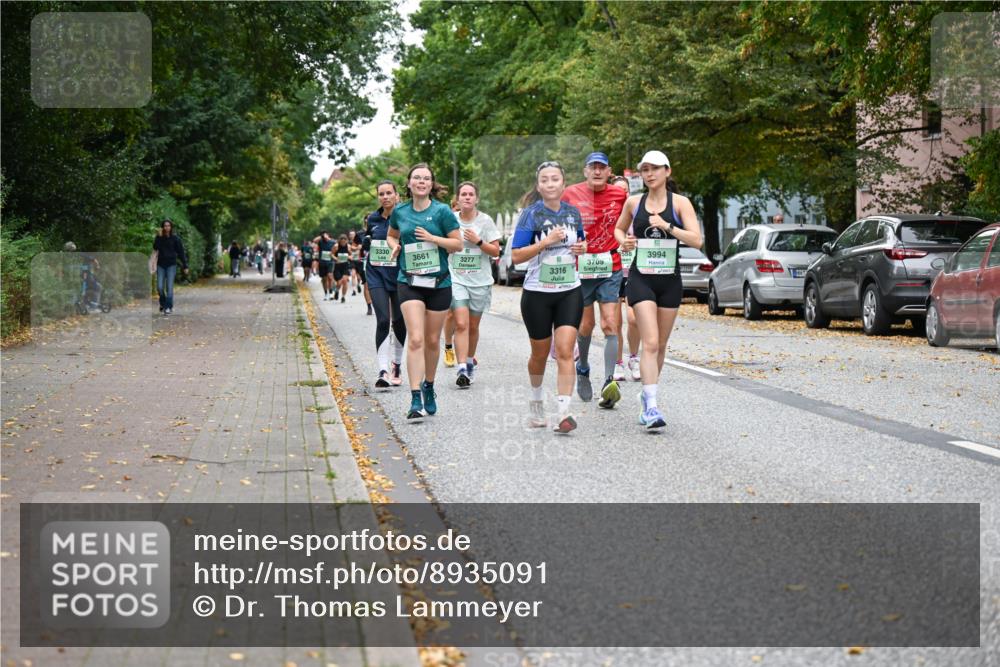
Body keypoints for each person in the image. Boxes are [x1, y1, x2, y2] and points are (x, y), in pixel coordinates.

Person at [615, 151, 702, 431]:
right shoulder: (633, 202)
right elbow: (619, 230)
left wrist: (667, 226)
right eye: (645, 169)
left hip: (670, 280)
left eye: (654, 169)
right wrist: (625, 242)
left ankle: (647, 393)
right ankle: (652, 406)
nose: (649, 174)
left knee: (660, 345)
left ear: (667, 171)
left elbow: (697, 240)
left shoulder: (680, 203)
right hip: (642, 278)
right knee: (650, 342)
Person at [512, 161, 587, 434]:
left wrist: (581, 247)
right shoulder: (530, 215)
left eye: (555, 179)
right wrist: (545, 241)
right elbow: (517, 255)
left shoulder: (573, 213)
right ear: (539, 185)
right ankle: (535, 403)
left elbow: (580, 242)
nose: (551, 183)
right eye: (545, 180)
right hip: (537, 294)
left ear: (563, 184)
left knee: (566, 350)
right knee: (540, 355)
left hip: (569, 290)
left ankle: (564, 413)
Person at [386, 164, 462, 421]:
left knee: (431, 340)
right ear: (408, 184)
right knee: (416, 339)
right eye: (417, 178)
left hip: (438, 283)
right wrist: (394, 247)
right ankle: (415, 395)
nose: (421, 181)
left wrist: (434, 239)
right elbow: (391, 236)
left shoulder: (442, 212)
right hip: (408, 281)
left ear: (431, 184)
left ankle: (429, 385)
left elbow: (458, 244)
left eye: (426, 178)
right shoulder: (400, 211)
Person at [562, 152, 628, 410]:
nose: (597, 171)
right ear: (585, 170)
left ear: (609, 171)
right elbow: (558, 223)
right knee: (586, 325)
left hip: (610, 265)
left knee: (611, 323)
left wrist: (629, 241)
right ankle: (584, 367)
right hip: (581, 267)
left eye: (602, 167)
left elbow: (631, 222)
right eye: (593, 167)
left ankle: (609, 382)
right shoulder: (570, 194)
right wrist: (570, 244)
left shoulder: (620, 196)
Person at [449, 181, 501, 388]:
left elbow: (496, 252)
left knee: (472, 326)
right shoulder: (450, 220)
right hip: (457, 279)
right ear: (458, 199)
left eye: (471, 194)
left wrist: (479, 241)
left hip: (480, 281)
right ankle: (461, 366)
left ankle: (470, 361)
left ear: (476, 199)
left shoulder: (486, 221)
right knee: (461, 323)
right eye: (464, 194)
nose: (467, 197)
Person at [365, 181, 407, 388]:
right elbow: (369, 241)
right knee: (383, 320)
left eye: (389, 193)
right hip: (376, 274)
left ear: (397, 195)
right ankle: (382, 370)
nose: (385, 197)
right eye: (381, 194)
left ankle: (396, 364)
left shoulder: (405, 217)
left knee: (399, 321)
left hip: (399, 275)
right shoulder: (372, 218)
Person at [608, 175, 641, 381]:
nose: (622, 193)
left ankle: (634, 358)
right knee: (615, 323)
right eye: (618, 190)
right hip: (613, 272)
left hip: (634, 272)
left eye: (625, 190)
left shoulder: (637, 215)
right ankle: (618, 363)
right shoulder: (607, 216)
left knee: (634, 318)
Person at [153, 219, 188, 315]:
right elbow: (155, 247)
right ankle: (163, 303)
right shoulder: (159, 237)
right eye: (165, 226)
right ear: (162, 227)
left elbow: (181, 252)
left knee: (169, 287)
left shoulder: (176, 239)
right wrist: (159, 237)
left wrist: (185, 265)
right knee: (159, 287)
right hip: (160, 264)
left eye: (168, 225)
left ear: (171, 227)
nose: (167, 227)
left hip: (171, 265)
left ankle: (168, 307)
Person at [350, 230, 372, 314]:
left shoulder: (379, 230)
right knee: (366, 284)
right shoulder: (359, 234)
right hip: (364, 262)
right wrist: (357, 247)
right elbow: (353, 247)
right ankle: (369, 306)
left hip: (378, 262)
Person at [314, 231, 336, 300]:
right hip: (322, 263)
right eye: (323, 235)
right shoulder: (321, 242)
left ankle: (331, 292)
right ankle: (326, 293)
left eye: (326, 234)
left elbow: (336, 249)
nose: (325, 236)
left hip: (330, 262)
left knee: (330, 276)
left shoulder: (332, 242)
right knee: (324, 279)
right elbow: (314, 240)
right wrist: (322, 236)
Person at [333, 234, 351, 302]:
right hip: (338, 266)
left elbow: (351, 254)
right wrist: (336, 258)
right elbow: (331, 254)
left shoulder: (348, 247)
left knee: (345, 281)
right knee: (339, 283)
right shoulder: (336, 246)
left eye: (344, 241)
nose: (343, 243)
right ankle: (337, 291)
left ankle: (343, 297)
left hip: (345, 266)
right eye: (342, 242)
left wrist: (350, 257)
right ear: (339, 241)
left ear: (346, 241)